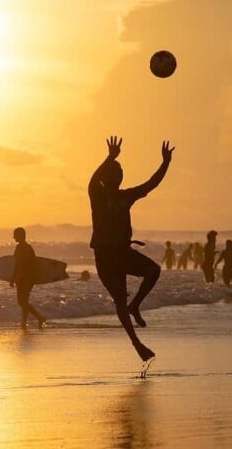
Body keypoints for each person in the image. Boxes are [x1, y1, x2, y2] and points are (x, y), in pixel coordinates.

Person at [88, 136, 172, 362]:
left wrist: (165, 163)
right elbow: (92, 180)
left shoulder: (126, 196)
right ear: (107, 178)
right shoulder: (97, 195)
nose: (119, 175)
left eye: (120, 172)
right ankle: (137, 344)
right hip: (105, 256)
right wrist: (110, 157)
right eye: (114, 173)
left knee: (154, 271)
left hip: (123, 253)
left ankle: (136, 305)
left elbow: (151, 184)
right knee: (119, 302)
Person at [11, 227, 46, 328]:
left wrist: (13, 278)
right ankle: (23, 322)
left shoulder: (19, 248)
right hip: (30, 278)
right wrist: (34, 278)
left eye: (15, 235)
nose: (14, 237)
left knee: (21, 302)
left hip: (22, 278)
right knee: (25, 301)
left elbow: (17, 264)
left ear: (20, 236)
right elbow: (34, 264)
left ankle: (39, 317)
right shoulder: (29, 248)